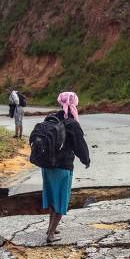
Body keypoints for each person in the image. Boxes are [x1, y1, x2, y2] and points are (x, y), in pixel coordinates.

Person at [41, 91, 90, 242]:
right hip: (63, 167)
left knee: (52, 198)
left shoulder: (51, 118)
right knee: (61, 200)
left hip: (46, 166)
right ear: (75, 103)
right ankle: (50, 234)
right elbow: (80, 145)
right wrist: (86, 160)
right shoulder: (72, 123)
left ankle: (51, 229)